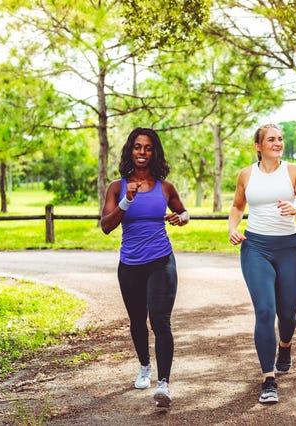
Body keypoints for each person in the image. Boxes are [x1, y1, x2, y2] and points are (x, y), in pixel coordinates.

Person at [101, 127, 189, 409]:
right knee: (138, 321)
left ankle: (163, 384)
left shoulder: (165, 187)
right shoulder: (117, 187)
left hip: (161, 261)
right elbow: (106, 226)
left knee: (161, 321)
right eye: (138, 147)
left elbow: (183, 211)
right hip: (129, 265)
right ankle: (144, 366)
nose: (142, 152)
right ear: (131, 150)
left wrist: (181, 218)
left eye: (148, 147)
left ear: (154, 152)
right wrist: (127, 199)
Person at [228, 123, 296, 404]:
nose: (277, 143)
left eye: (280, 139)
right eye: (271, 139)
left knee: (287, 314)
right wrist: (232, 227)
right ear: (258, 145)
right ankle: (268, 379)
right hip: (255, 247)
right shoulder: (246, 175)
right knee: (265, 311)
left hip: (288, 247)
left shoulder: (293, 171)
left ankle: (285, 346)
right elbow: (237, 206)